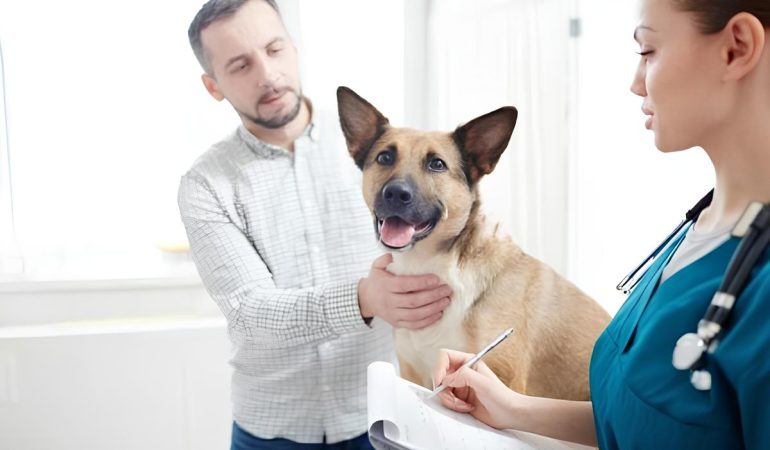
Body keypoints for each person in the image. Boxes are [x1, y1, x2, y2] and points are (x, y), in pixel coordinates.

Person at [431, 0, 770, 449]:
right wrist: (512, 408)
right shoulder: (700, 230)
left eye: (648, 51)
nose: (635, 83)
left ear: (736, 48)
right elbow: (650, 423)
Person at [179, 1, 453, 449]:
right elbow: (250, 313)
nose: (267, 74)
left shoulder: (383, 152)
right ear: (214, 86)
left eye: (274, 49)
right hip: (273, 430)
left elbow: (441, 215)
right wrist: (365, 298)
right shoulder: (205, 185)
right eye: (240, 65)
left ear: (294, 47)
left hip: (384, 418)